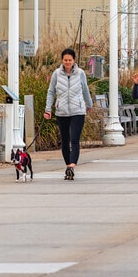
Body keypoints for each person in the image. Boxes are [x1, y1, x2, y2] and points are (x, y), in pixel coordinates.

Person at [44, 48, 93, 180]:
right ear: (62, 60)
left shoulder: (80, 73)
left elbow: (85, 89)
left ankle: (72, 165)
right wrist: (48, 109)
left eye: (70, 60)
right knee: (65, 141)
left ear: (74, 61)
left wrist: (89, 105)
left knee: (74, 139)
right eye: (65, 60)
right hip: (62, 112)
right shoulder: (56, 74)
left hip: (78, 111)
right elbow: (51, 92)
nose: (67, 62)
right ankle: (68, 166)